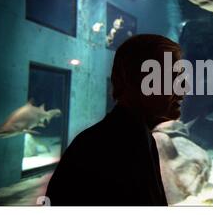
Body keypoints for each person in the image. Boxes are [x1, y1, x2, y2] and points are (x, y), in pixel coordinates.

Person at [46, 34, 183, 206]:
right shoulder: (105, 150)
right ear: (135, 80)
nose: (184, 88)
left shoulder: (139, 138)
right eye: (173, 77)